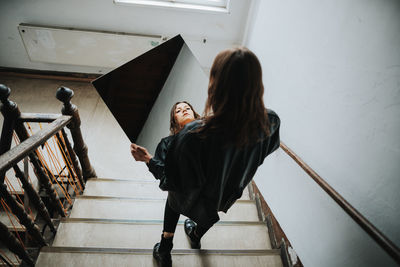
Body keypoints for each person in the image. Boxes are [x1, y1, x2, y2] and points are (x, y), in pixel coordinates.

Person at [131, 47, 281, 267]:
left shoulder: (193, 135)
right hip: (231, 189)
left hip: (197, 194)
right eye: (178, 109)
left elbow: (171, 181)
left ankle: (166, 246)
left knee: (175, 201)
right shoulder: (271, 120)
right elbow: (263, 152)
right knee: (212, 210)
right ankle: (195, 234)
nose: (183, 110)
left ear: (214, 88)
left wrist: (148, 160)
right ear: (258, 84)